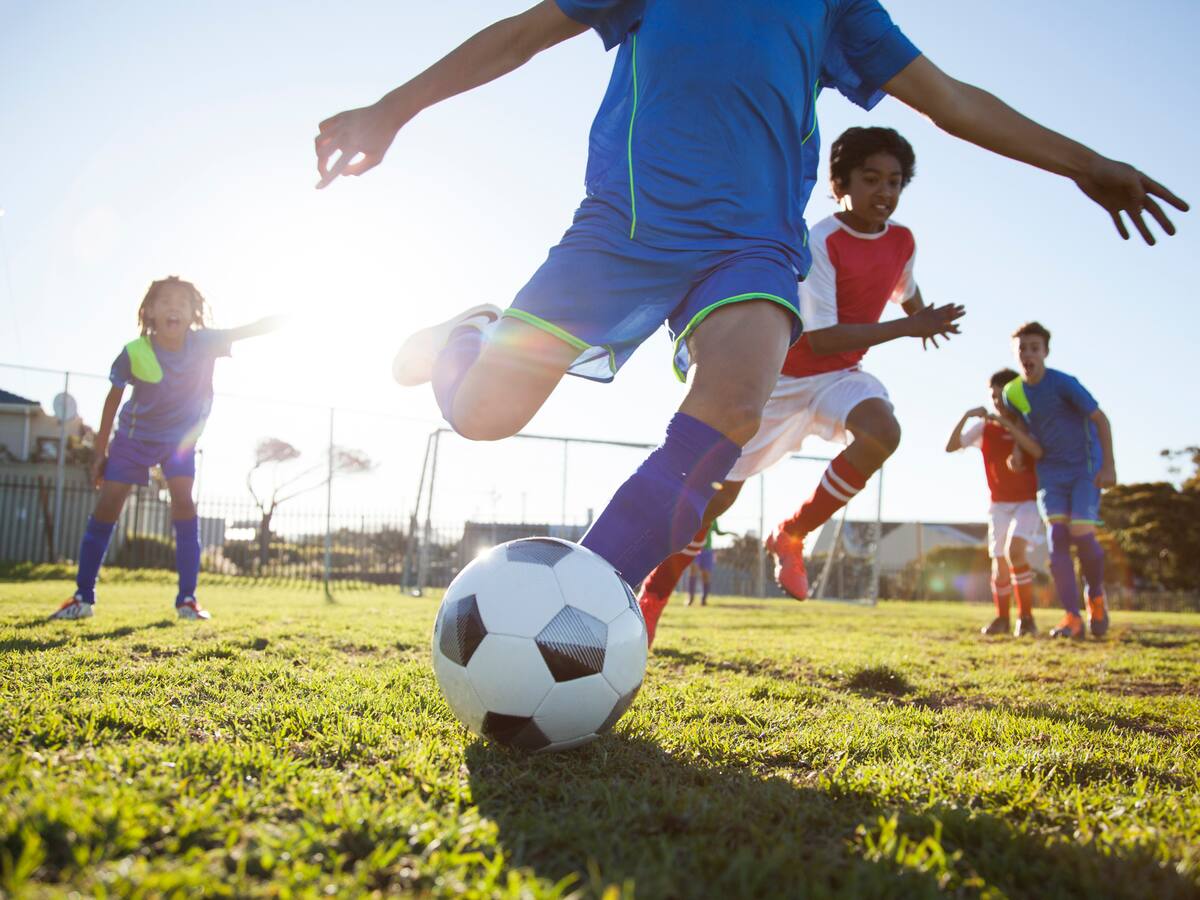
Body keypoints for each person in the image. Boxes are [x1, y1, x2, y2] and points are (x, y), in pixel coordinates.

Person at [314, 0, 1186, 601]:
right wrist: (391, 109)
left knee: (732, 406)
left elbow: (952, 101)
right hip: (622, 228)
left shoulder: (842, 6)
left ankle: (589, 594)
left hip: (752, 243)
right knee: (484, 416)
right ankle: (473, 336)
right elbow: (519, 37)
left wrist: (1086, 163)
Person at [638, 126, 961, 643]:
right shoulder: (821, 240)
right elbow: (827, 337)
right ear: (841, 185)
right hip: (782, 378)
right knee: (715, 502)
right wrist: (909, 327)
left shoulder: (903, 240)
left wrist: (925, 316)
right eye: (870, 179)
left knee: (883, 431)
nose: (884, 192)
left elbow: (906, 288)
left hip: (837, 378)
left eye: (895, 182)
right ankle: (653, 596)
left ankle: (792, 534)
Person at [50, 277, 280, 621]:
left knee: (184, 504)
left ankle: (187, 599)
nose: (174, 307)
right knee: (109, 504)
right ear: (150, 311)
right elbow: (112, 400)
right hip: (133, 438)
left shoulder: (205, 342)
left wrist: (284, 319)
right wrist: (100, 451)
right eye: (165, 301)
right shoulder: (135, 351)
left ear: (193, 313)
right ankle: (83, 596)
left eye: (183, 303)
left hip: (180, 441)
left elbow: (249, 329)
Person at [1004, 322, 1113, 639]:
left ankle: (1095, 595)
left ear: (1045, 352)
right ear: (1016, 352)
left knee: (1081, 531)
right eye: (1022, 348)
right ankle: (1071, 617)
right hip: (1050, 471)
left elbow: (1100, 418)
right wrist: (1018, 452)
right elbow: (1021, 425)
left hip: (1084, 467)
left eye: (1034, 348)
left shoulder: (1065, 384)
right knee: (1058, 539)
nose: (1028, 354)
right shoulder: (1013, 392)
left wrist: (1110, 467)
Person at [946, 368, 1043, 637]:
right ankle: (1002, 618)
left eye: (1003, 397)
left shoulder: (1028, 424)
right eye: (994, 397)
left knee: (1016, 552)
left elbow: (1038, 452)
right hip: (998, 504)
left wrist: (1013, 432)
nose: (998, 403)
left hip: (1027, 501)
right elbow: (951, 446)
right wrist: (966, 416)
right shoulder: (985, 428)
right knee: (999, 561)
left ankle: (1026, 618)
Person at [685, 518, 729, 608]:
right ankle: (690, 598)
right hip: (696, 548)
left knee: (706, 575)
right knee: (693, 571)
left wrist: (729, 533)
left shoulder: (713, 518)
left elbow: (718, 532)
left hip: (707, 551)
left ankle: (704, 599)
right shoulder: (697, 514)